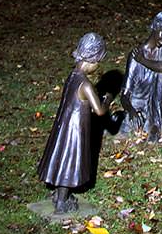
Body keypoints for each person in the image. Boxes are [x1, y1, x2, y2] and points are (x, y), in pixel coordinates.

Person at [37, 32, 111, 211]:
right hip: (75, 130)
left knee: (62, 157)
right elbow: (99, 111)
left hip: (64, 125)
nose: (97, 67)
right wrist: (107, 99)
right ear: (92, 60)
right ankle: (62, 201)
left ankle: (58, 194)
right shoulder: (85, 84)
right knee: (69, 161)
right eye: (97, 63)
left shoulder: (72, 76)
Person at [119, 10, 162, 141]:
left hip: (155, 106)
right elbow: (125, 94)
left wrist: (143, 61)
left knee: (161, 75)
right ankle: (147, 123)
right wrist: (131, 111)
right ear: (155, 27)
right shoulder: (136, 56)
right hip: (137, 103)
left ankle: (156, 124)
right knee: (128, 124)